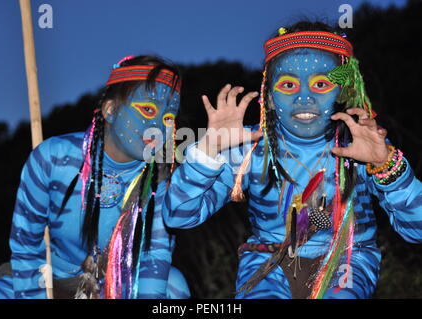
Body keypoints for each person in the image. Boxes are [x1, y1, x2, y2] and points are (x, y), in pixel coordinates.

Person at [162, 21, 422, 299]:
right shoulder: (249, 148)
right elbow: (178, 216)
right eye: (288, 84)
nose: (304, 96)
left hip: (348, 261)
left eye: (321, 83)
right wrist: (207, 152)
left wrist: (388, 167)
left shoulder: (361, 146)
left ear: (343, 91)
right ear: (270, 96)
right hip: (267, 262)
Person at [0, 55, 190, 299]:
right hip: (46, 283)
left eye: (168, 118)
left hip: (117, 287)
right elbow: (26, 247)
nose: (159, 127)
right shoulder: (52, 159)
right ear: (111, 110)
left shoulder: (158, 181)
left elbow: (154, 258)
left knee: (173, 285)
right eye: (148, 109)